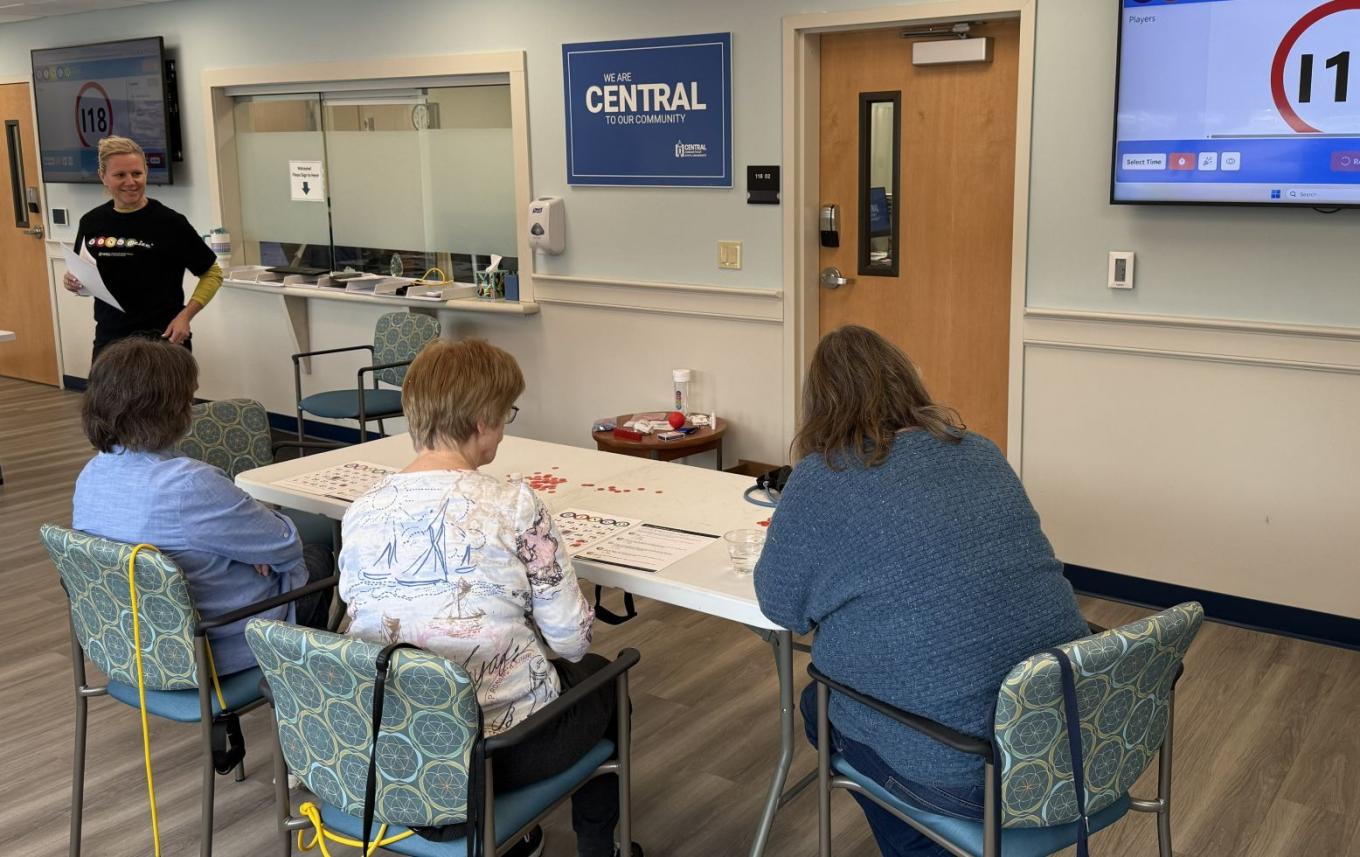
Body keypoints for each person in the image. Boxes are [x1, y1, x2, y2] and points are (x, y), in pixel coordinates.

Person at [753, 325, 1089, 857]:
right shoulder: (980, 451)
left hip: (964, 767)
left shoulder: (823, 478)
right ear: (906, 383)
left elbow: (781, 606)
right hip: (1063, 736)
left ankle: (926, 843)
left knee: (818, 703)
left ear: (818, 408)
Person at [339, 338, 638, 857]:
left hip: (387, 745)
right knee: (603, 677)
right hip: (490, 751)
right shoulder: (515, 505)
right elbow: (569, 642)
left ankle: (519, 839)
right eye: (505, 415)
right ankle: (598, 847)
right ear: (482, 420)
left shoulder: (360, 511)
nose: (504, 427)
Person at [72, 337, 332, 675]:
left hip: (128, 646)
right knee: (319, 556)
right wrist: (255, 549)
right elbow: (284, 544)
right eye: (189, 397)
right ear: (173, 408)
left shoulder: (91, 474)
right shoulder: (190, 484)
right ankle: (309, 687)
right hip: (214, 649)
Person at [63, 135, 223, 363]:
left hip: (162, 340)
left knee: (166, 400)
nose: (131, 182)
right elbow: (84, 274)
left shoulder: (170, 222)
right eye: (120, 175)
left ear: (145, 173)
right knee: (107, 400)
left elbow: (212, 273)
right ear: (103, 177)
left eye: (137, 173)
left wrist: (185, 316)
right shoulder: (91, 222)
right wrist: (73, 282)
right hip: (110, 339)